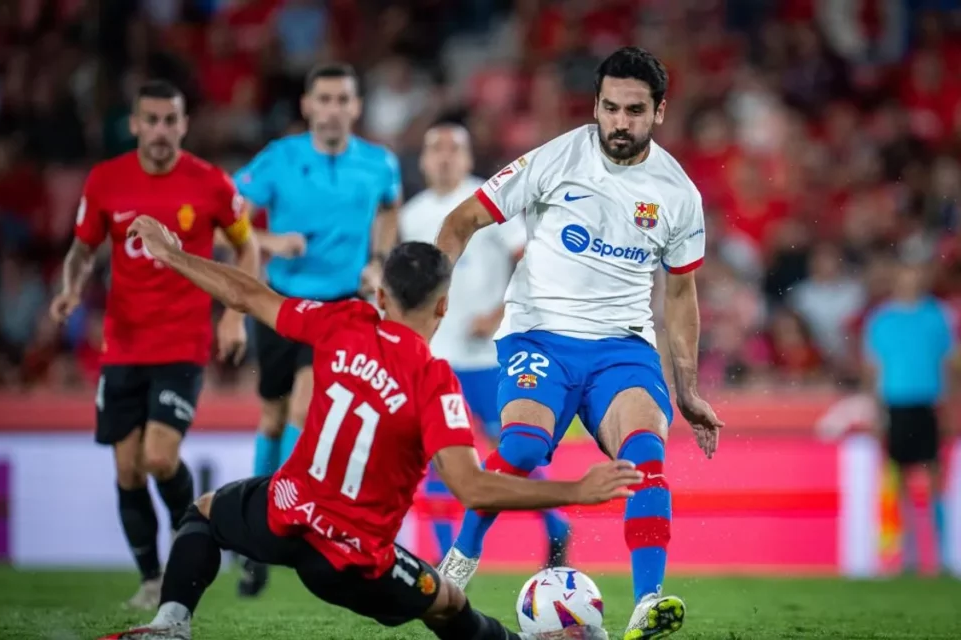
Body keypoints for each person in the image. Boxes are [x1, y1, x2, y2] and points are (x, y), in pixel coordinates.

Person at [100, 217, 641, 640]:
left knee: (205, 513)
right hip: (354, 561)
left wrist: (171, 255)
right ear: (444, 306)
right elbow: (472, 487)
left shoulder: (342, 322)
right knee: (448, 602)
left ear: (381, 298)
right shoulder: (434, 382)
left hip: (286, 515)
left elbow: (247, 295)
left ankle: (171, 621)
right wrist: (576, 490)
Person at [434, 47, 724, 639]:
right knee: (521, 448)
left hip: (622, 347)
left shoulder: (678, 193)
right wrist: (431, 298)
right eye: (610, 108)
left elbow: (680, 293)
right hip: (539, 337)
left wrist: (688, 388)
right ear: (595, 105)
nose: (620, 122)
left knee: (645, 460)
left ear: (659, 112)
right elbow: (461, 221)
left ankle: (647, 603)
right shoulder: (555, 158)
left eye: (634, 111)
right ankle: (460, 560)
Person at [47, 80, 276, 610]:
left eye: (170, 120)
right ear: (134, 125)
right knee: (128, 468)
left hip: (182, 345)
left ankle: (193, 534)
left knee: (158, 457)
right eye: (150, 120)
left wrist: (234, 316)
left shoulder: (211, 183)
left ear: (184, 124)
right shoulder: (106, 180)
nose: (160, 130)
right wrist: (70, 289)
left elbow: (247, 248)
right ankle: (151, 578)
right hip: (123, 347)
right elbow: (82, 250)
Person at [232, 62, 401, 596]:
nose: (332, 109)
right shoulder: (279, 159)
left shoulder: (379, 163)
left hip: (343, 307)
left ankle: (280, 526)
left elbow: (390, 211)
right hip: (281, 304)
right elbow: (226, 217)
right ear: (307, 105)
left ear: (356, 107)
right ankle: (255, 536)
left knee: (305, 409)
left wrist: (379, 260)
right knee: (272, 416)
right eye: (323, 99)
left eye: (342, 99)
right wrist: (268, 242)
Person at [397, 123, 571, 565]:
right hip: (437, 356)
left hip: (490, 355)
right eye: (435, 148)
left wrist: (497, 314)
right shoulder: (412, 215)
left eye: (454, 149)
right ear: (423, 160)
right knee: (438, 453)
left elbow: (530, 260)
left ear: (468, 157)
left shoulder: (489, 201)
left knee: (514, 447)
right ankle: (442, 557)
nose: (444, 157)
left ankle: (555, 525)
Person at [862, 259, 956, 574]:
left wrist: (950, 407)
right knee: (900, 481)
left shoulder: (937, 315)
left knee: (934, 479)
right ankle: (906, 557)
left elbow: (948, 364)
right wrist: (876, 412)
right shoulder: (882, 319)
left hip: (928, 403)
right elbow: (873, 369)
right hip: (896, 403)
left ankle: (941, 556)